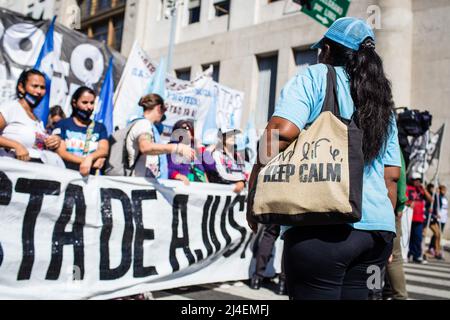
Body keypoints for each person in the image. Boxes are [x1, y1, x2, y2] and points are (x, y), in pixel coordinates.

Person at [247, 17, 401, 300]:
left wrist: (253, 186)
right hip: (377, 236)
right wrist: (386, 230)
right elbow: (391, 176)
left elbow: (280, 133)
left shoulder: (315, 77)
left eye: (321, 49)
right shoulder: (383, 102)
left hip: (322, 228)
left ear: (328, 50)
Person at [0, 69, 62, 165]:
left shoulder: (38, 120)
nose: (39, 91)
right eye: (34, 86)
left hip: (30, 175)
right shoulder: (10, 108)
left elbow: (35, 147)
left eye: (42, 87)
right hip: (8, 174)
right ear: (21, 87)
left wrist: (53, 141)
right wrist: (16, 146)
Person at [125, 93, 194, 179]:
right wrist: (176, 148)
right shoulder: (144, 124)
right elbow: (145, 147)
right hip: (139, 182)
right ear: (158, 108)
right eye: (164, 109)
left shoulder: (145, 125)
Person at [53, 86, 109, 176]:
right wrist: (87, 162)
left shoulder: (100, 127)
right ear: (74, 103)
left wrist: (90, 158)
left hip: (88, 180)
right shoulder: (63, 124)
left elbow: (103, 150)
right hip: (63, 176)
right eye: (85, 102)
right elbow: (61, 152)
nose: (89, 107)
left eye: (92, 103)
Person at [383, 150, 409, 300]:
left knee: (373, 256)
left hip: (364, 205)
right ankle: (398, 296)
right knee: (393, 257)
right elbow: (397, 176)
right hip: (387, 206)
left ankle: (380, 293)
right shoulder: (388, 130)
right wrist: (400, 205)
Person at [203, 128, 247, 193]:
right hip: (223, 192)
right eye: (229, 134)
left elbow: (244, 174)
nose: (233, 136)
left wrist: (242, 182)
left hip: (239, 191)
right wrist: (239, 182)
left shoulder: (237, 155)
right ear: (221, 138)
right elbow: (221, 174)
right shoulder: (216, 153)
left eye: (234, 134)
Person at [167, 119, 208, 185]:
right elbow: (164, 169)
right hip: (180, 187)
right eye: (182, 128)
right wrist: (176, 175)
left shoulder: (197, 149)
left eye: (187, 128)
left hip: (199, 188)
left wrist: (203, 151)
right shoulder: (170, 148)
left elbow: (210, 168)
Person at [249, 224, 287, 295]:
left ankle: (257, 279)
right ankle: (283, 283)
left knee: (269, 234)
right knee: (289, 238)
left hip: (275, 213)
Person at [406, 174, 432, 263]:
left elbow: (431, 200)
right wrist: (409, 203)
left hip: (419, 218)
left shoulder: (421, 190)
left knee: (418, 237)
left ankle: (417, 256)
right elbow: (403, 199)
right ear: (412, 180)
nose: (418, 182)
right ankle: (408, 254)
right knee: (409, 237)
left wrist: (424, 189)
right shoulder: (407, 187)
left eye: (419, 180)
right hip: (409, 217)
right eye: (416, 180)